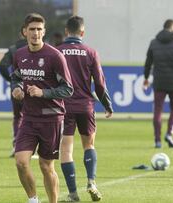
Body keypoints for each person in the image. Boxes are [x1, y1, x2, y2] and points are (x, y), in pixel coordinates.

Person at [11, 13, 73, 203]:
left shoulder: (55, 56)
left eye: (39, 29)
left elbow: (68, 89)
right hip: (29, 118)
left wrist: (43, 93)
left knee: (46, 166)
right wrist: (17, 88)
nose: (35, 33)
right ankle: (33, 200)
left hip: (51, 119)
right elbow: (16, 77)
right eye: (32, 29)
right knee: (21, 162)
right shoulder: (19, 55)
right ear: (24, 32)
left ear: (44, 32)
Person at [56, 16, 113, 202]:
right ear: (82, 32)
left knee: (66, 150)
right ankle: (91, 182)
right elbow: (100, 84)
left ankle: (73, 194)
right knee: (89, 145)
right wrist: (107, 105)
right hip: (86, 106)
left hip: (64, 107)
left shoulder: (57, 52)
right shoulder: (91, 52)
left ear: (66, 32)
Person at [143, 19, 173, 148]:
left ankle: (157, 140)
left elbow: (148, 63)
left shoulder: (154, 42)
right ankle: (169, 134)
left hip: (158, 81)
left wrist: (146, 78)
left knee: (158, 110)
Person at [0, 27, 27, 157]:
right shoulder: (39, 48)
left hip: (16, 88)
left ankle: (17, 146)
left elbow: (3, 65)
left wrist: (11, 80)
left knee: (18, 117)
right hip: (34, 89)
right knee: (35, 117)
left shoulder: (13, 49)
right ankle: (28, 147)